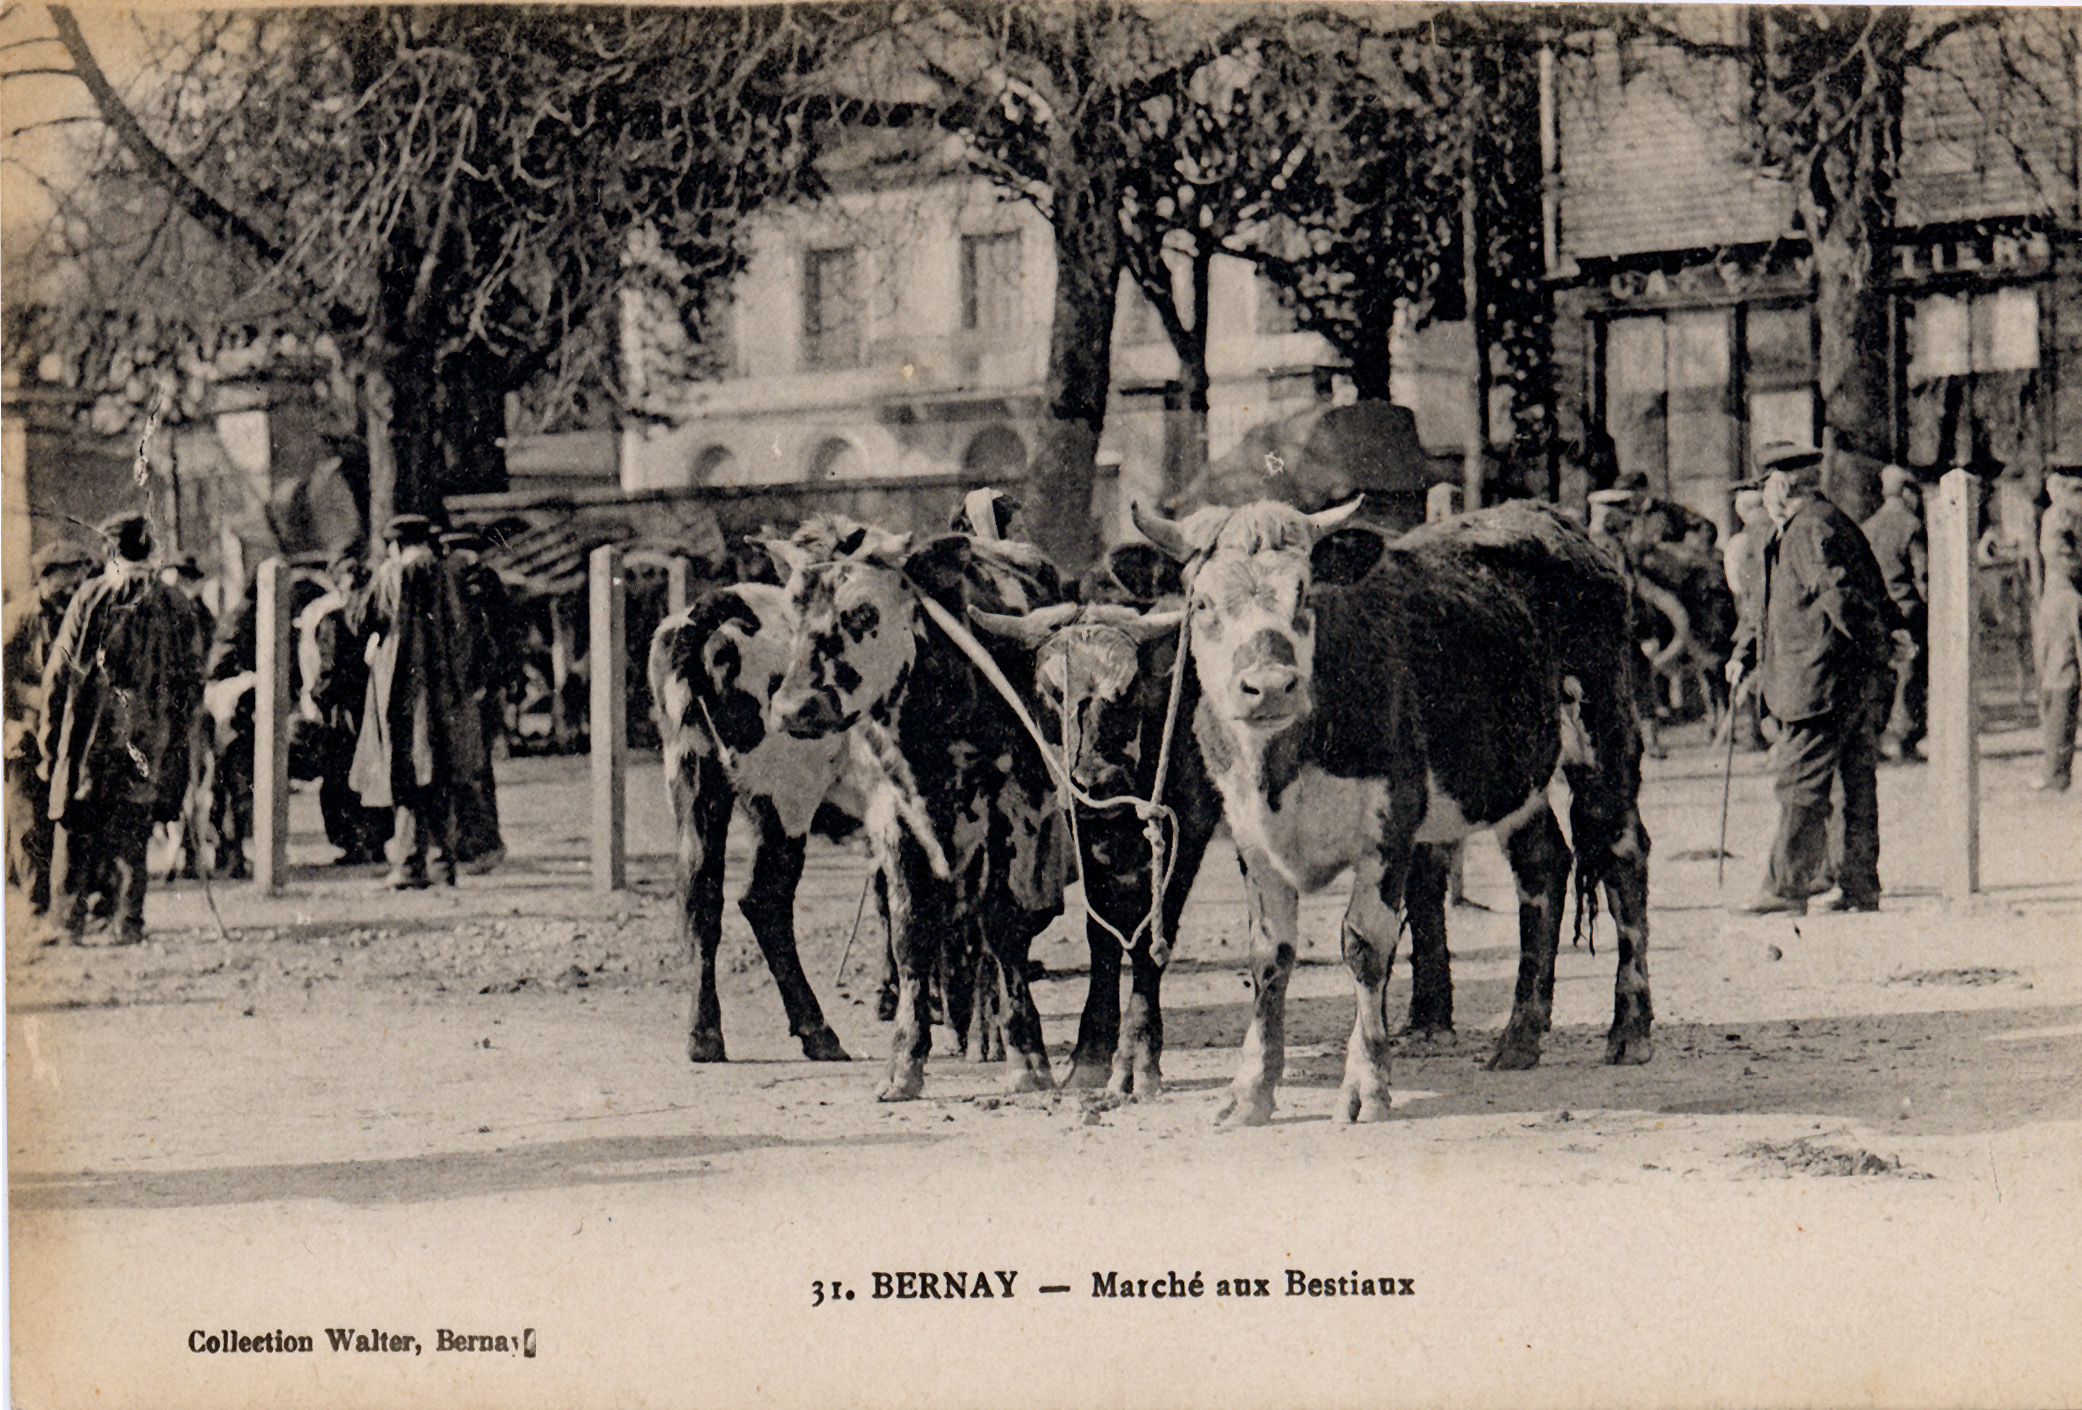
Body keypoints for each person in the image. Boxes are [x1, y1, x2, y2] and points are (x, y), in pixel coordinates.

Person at [1726, 444, 1898, 915]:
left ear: (1782, 486)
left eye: (1766, 484)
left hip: (1816, 683)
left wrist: (1876, 648)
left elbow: (1842, 598)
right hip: (1837, 680)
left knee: (1801, 785)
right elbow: (1767, 604)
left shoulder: (1809, 529)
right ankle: (1857, 885)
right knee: (1852, 782)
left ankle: (1787, 890)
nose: (1764, 494)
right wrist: (1744, 652)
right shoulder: (1819, 524)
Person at [37, 514, 202, 943]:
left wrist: (50, 744)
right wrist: (177, 741)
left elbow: (59, 676)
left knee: (75, 825)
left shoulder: (91, 597)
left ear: (111, 550)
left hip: (90, 736)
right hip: (149, 735)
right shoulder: (176, 604)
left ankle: (67, 921)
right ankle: (128, 922)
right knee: (133, 827)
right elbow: (190, 683)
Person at [348, 514, 484, 889]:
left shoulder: (393, 574)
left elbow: (365, 621)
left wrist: (356, 591)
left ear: (395, 544)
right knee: (438, 774)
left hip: (403, 692)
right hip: (443, 693)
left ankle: (408, 863)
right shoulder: (446, 573)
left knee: (404, 774)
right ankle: (442, 864)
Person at [4, 542, 96, 915]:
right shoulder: (17, 617)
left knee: (67, 810)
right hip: (23, 727)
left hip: (65, 726)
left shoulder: (77, 612)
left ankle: (70, 893)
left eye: (79, 579)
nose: (74, 587)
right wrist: (8, 724)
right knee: (29, 816)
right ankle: (37, 900)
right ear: (46, 576)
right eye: (67, 579)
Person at [298, 553, 392, 863]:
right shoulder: (375, 619)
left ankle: (353, 842)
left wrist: (317, 698)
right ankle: (372, 841)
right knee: (369, 773)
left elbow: (329, 668)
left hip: (341, 712)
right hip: (368, 705)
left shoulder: (334, 620)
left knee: (339, 777)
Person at [438, 527, 515, 872]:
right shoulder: (489, 582)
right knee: (477, 768)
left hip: (474, 691)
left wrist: (478, 682)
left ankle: (479, 843)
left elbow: (480, 640)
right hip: (486, 689)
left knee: (471, 769)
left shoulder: (470, 584)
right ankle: (479, 842)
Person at [1861, 465, 1929, 763]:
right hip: (1907, 609)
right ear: (1906, 492)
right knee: (1911, 676)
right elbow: (1924, 574)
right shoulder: (1911, 524)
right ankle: (1907, 738)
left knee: (1879, 674)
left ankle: (1872, 738)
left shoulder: (1868, 526)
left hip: (1876, 610)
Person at [2033, 466, 2082, 792]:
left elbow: (2066, 561)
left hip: (2063, 600)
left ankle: (2055, 773)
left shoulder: (2062, 512)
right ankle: (2054, 769)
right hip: (2061, 599)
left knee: (2060, 681)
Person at [1720, 485, 1773, 751]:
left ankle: (1751, 732)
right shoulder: (1761, 536)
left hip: (1752, 613)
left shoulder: (1741, 540)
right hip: (1760, 614)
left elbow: (1738, 587)